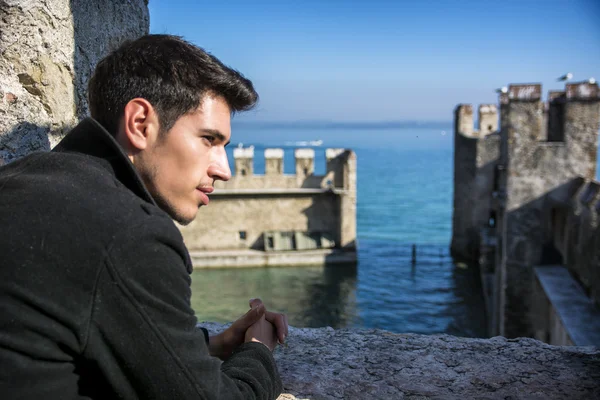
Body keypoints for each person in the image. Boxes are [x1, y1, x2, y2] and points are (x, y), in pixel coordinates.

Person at [0, 34, 287, 399]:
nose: (224, 169)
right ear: (139, 124)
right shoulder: (131, 233)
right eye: (209, 140)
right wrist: (258, 350)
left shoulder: (22, 180)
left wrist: (208, 346)